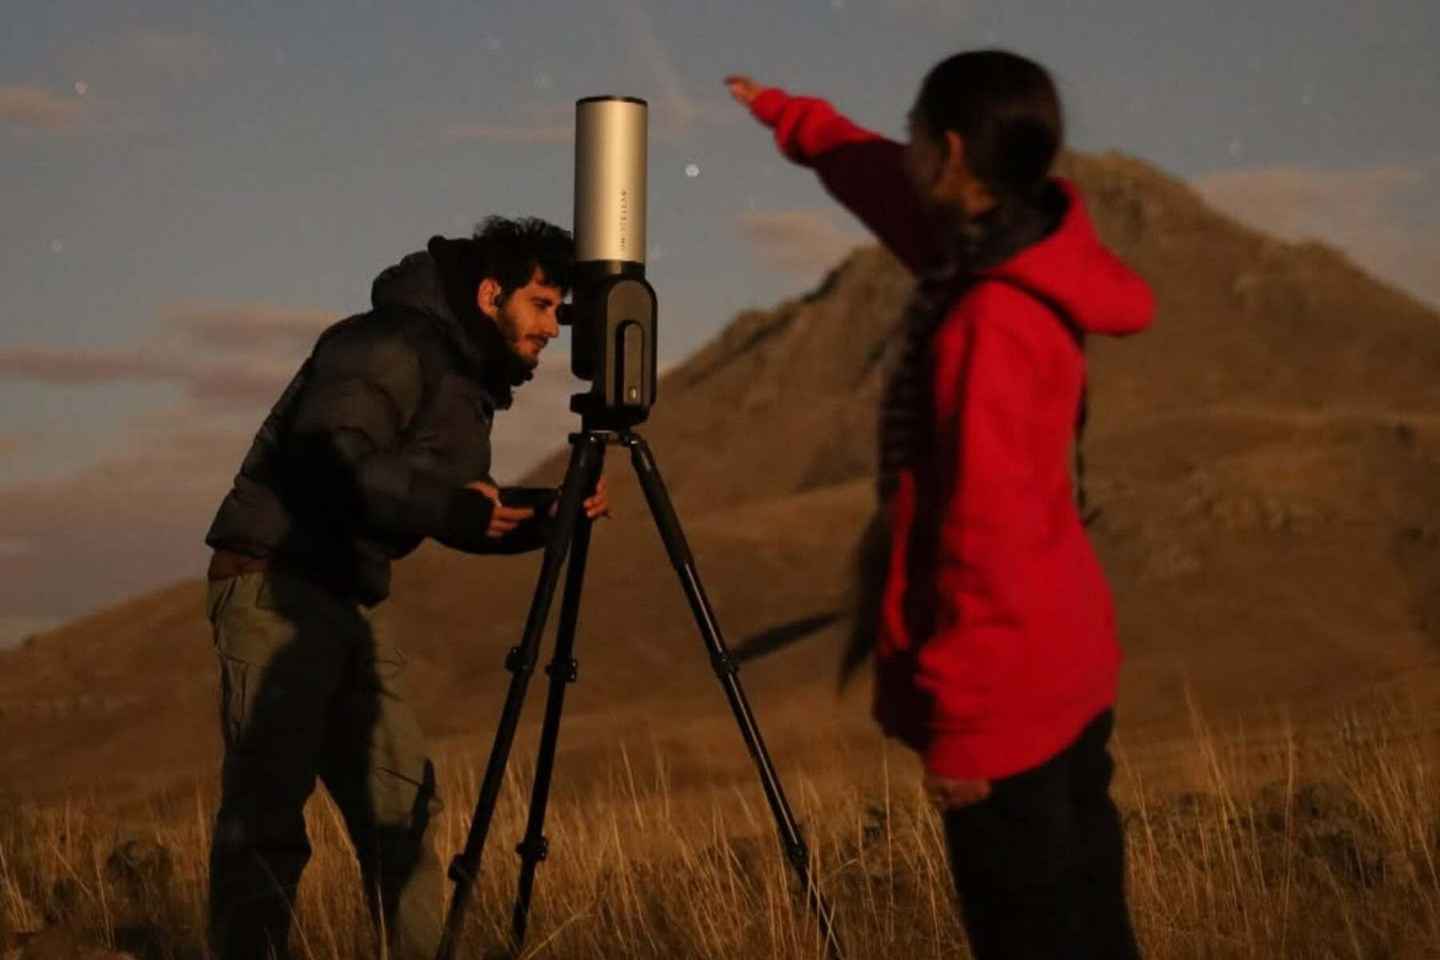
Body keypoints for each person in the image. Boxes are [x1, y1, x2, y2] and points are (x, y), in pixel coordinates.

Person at [728, 51, 1152, 959]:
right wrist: (789, 117)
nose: (905, 149)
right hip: (1063, 655)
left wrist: (963, 731)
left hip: (1010, 694)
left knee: (1038, 936)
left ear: (950, 152)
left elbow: (981, 535)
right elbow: (881, 179)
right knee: (1090, 926)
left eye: (915, 133)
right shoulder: (1010, 247)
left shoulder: (988, 319)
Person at [201, 216, 610, 960]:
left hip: (349, 598)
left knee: (405, 810)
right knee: (267, 817)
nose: (555, 328)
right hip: (275, 582)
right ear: (492, 293)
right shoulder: (384, 343)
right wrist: (454, 504)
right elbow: (328, 456)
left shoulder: (462, 378)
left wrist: (539, 517)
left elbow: (448, 505)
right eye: (543, 305)